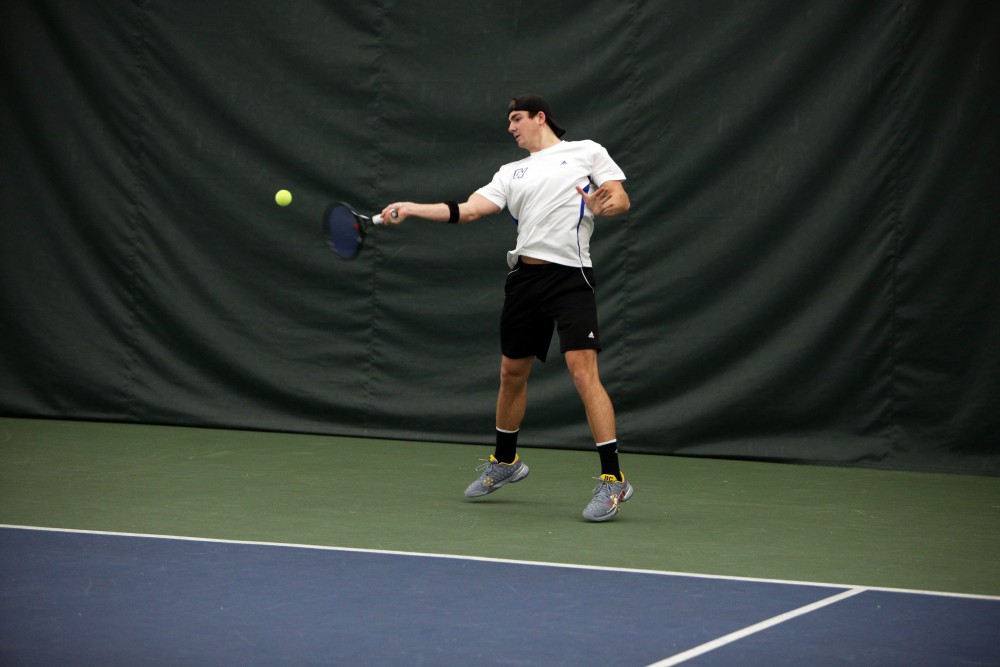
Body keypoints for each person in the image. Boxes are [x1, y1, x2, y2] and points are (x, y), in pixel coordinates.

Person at [380, 94, 632, 521]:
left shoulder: (586, 152)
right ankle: (506, 462)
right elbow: (469, 210)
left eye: (517, 119)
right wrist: (412, 208)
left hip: (570, 276)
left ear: (540, 117)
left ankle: (613, 481)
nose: (511, 127)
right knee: (511, 373)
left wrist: (604, 205)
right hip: (524, 280)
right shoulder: (510, 172)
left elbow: (620, 198)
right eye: (509, 121)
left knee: (582, 372)